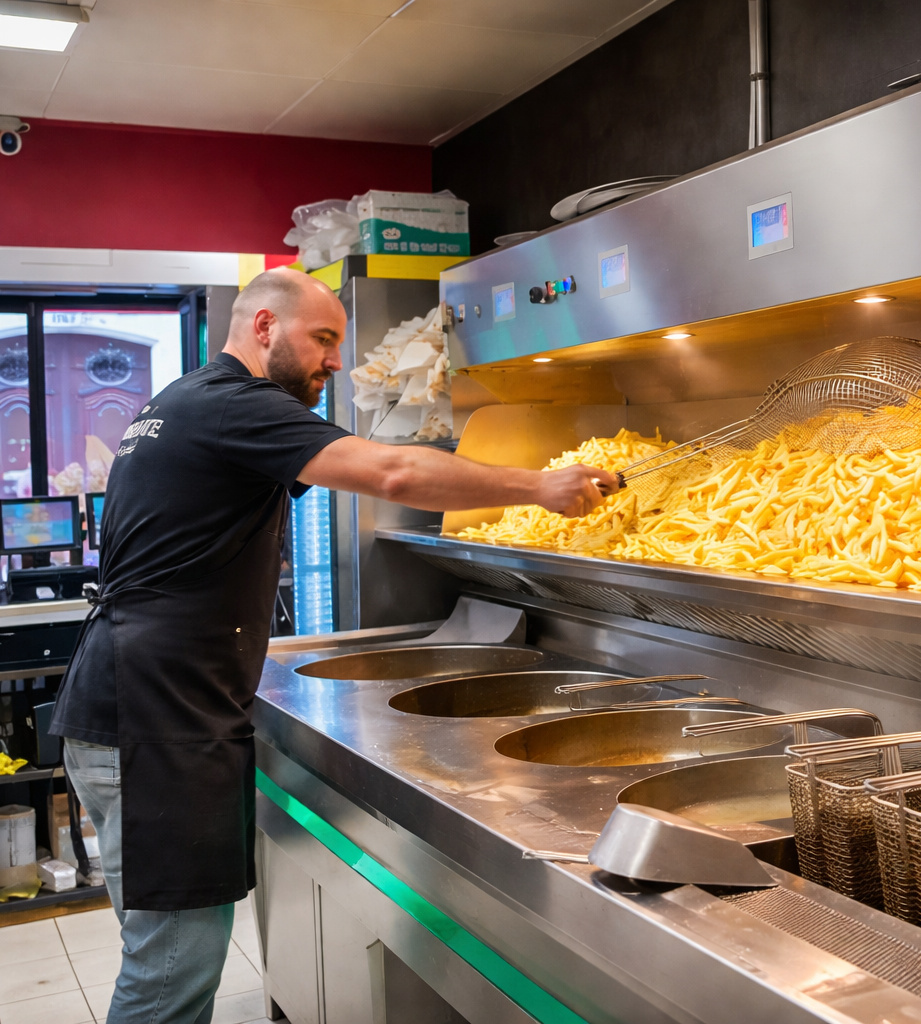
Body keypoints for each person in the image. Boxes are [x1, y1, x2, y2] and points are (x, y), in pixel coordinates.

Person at [49, 267, 617, 1024]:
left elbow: (346, 467)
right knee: (171, 971)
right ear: (262, 327)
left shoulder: (188, 400)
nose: (335, 361)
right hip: (157, 726)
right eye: (322, 338)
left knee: (166, 957)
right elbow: (392, 471)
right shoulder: (234, 404)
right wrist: (539, 486)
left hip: (134, 708)